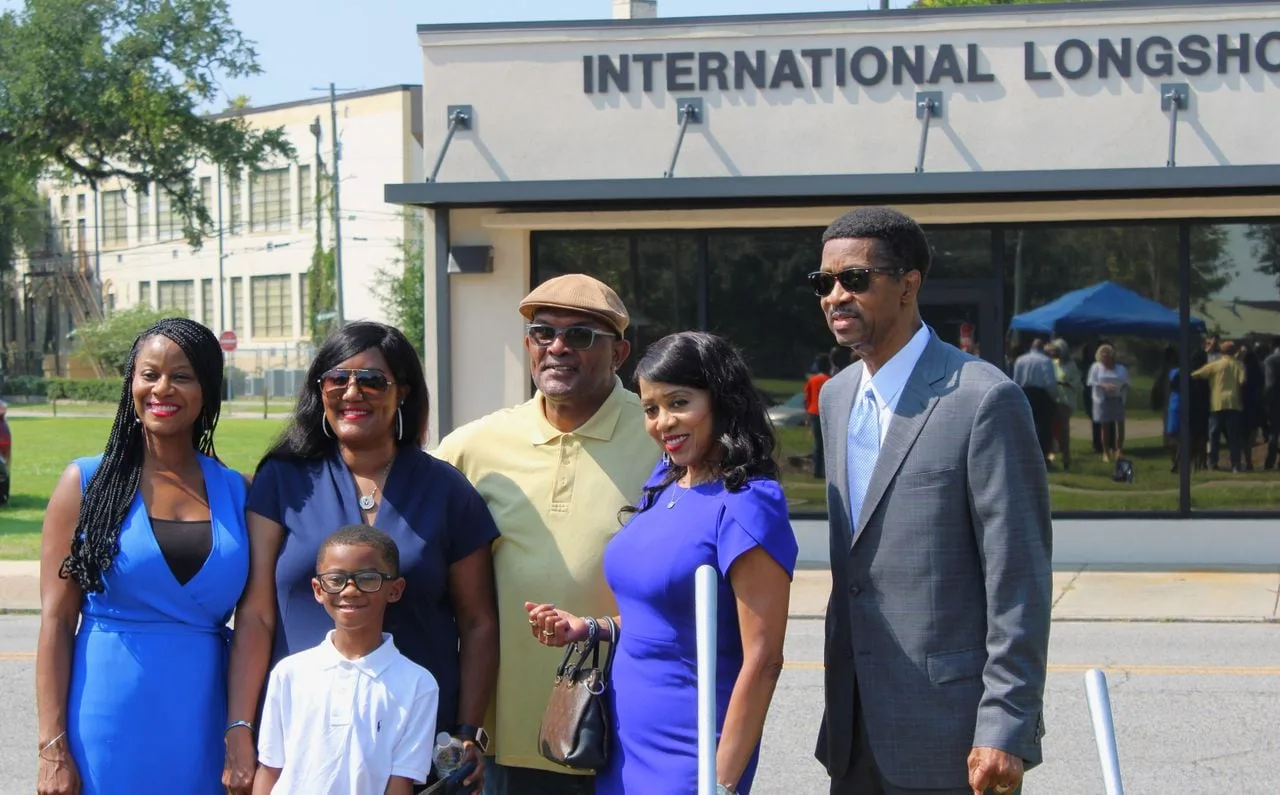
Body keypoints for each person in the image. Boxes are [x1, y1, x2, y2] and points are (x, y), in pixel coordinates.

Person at [809, 207, 1052, 795]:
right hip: (854, 728)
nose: (835, 296)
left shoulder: (984, 399)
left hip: (953, 734)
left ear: (909, 284)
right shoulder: (839, 397)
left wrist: (1005, 726)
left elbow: (1018, 578)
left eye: (855, 279)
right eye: (824, 282)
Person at [223, 322, 499, 795]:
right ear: (320, 390)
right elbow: (255, 615)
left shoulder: (447, 490)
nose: (353, 392)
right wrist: (240, 729)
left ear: (403, 393)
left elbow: (478, 623)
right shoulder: (284, 479)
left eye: (372, 380)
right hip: (304, 736)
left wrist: (469, 732)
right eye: (337, 379)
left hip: (413, 739)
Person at [526, 331, 798, 795]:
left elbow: (764, 659)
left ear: (721, 401)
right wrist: (591, 628)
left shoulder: (749, 503)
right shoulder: (666, 481)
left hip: (691, 752)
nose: (662, 422)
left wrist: (721, 783)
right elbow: (666, 618)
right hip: (623, 740)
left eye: (679, 402)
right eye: (651, 408)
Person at [433, 273, 660, 795]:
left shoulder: (659, 436)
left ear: (619, 352)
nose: (557, 347)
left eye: (580, 335)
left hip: (626, 724)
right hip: (505, 732)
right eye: (542, 333)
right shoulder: (473, 445)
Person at [36, 318, 248, 795]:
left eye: (182, 376)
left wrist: (240, 734)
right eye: (148, 373)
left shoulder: (236, 492)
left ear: (207, 389)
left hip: (203, 718)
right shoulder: (86, 484)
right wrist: (52, 749)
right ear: (131, 382)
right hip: (106, 716)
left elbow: (256, 624)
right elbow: (55, 621)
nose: (162, 388)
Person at [253, 525, 440, 795]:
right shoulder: (289, 673)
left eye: (368, 578)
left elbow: (400, 784)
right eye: (336, 579)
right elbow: (269, 769)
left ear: (395, 589)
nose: (350, 590)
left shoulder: (418, 684)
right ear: (318, 589)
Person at [1191, 339, 1247, 472]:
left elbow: (1197, 374)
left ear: (1221, 351)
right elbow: (1243, 381)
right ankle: (1235, 464)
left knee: (1214, 435)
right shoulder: (1239, 365)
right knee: (1233, 436)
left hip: (1217, 403)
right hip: (1233, 403)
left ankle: (1213, 463)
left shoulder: (1216, 365)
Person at [1010, 338, 1057, 464]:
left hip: (1025, 393)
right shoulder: (1046, 361)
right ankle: (1042, 455)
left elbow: (1016, 380)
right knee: (1043, 426)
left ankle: (1023, 453)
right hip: (1041, 394)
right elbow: (1050, 382)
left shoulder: (1021, 360)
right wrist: (1053, 397)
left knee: (1025, 424)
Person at [1086, 344, 1130, 462]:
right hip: (1102, 399)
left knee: (1120, 424)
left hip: (1118, 398)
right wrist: (1103, 385)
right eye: (1102, 356)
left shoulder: (1121, 369)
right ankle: (1106, 451)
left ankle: (1119, 450)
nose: (1104, 359)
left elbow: (1127, 383)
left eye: (1107, 356)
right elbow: (1091, 381)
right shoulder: (1095, 367)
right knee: (1104, 426)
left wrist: (1119, 388)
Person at [1046, 339, 1082, 470]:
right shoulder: (1052, 364)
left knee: (1063, 430)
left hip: (1065, 400)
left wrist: (1065, 383)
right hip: (1053, 399)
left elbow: (1077, 384)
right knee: (1052, 429)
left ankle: (1066, 458)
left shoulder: (1071, 366)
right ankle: (1052, 453)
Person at [805, 353, 833, 478]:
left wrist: (807, 417)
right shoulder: (830, 380)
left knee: (818, 443)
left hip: (813, 412)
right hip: (827, 413)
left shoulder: (812, 380)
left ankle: (817, 470)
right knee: (827, 444)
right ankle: (825, 470)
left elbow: (808, 398)